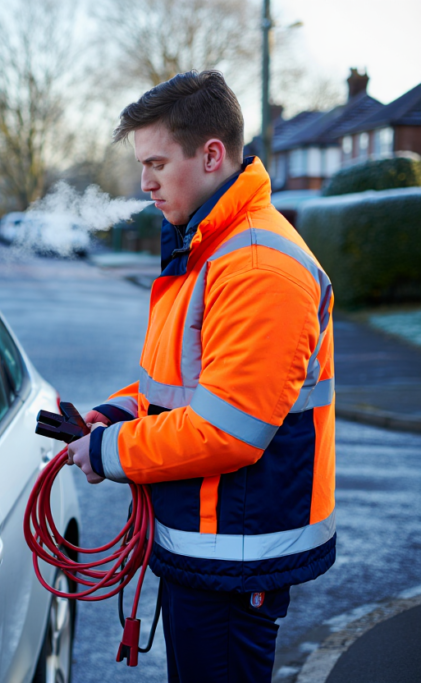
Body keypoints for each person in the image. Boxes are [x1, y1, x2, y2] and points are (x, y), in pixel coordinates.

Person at [66, 70, 336, 682]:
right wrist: (112, 413)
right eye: (142, 165)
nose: (145, 182)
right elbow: (177, 388)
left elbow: (227, 430)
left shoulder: (259, 266)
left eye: (157, 163)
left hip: (235, 560)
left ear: (212, 154)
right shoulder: (209, 249)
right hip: (208, 550)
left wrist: (109, 451)